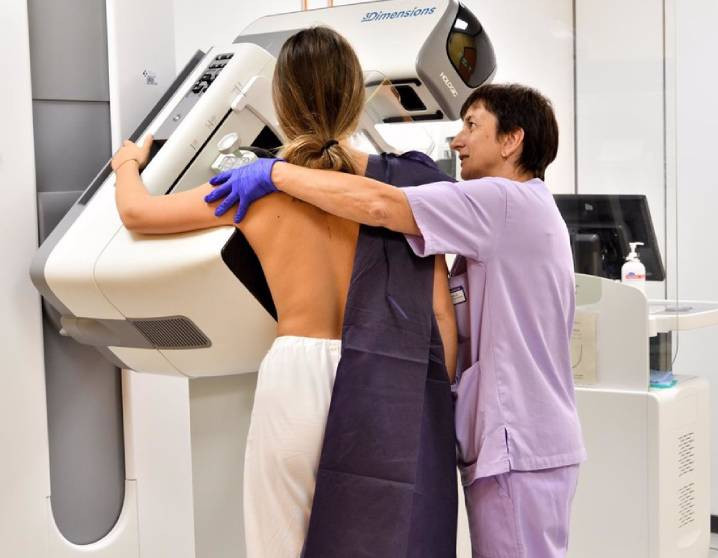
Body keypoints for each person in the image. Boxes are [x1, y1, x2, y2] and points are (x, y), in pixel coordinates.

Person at [111, 26, 457, 558]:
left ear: (282, 101)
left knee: (281, 544)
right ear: (353, 98)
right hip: (385, 378)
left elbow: (136, 214)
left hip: (294, 377)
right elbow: (438, 312)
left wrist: (128, 164)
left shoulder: (250, 189)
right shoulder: (403, 190)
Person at [207, 83, 586, 558]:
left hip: (519, 444)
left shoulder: (503, 202)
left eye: (472, 126)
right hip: (518, 443)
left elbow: (383, 205)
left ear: (512, 140)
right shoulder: (520, 209)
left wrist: (278, 173)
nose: (457, 141)